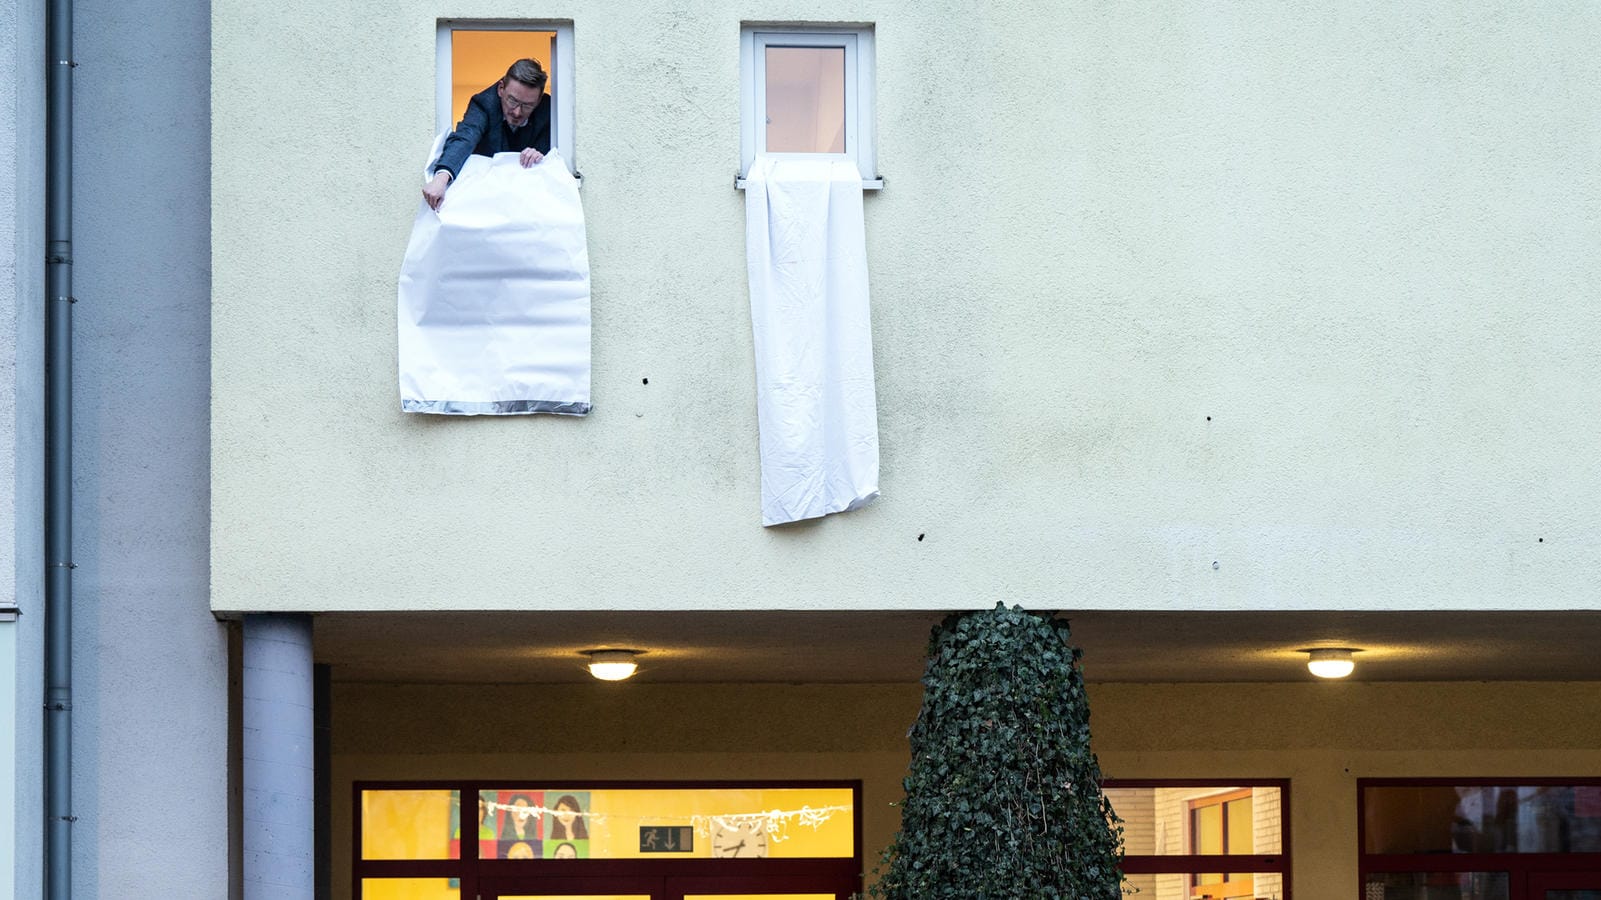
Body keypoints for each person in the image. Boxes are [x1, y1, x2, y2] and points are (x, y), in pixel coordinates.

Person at [423, 59, 552, 210]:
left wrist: (541, 155)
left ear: (538, 101)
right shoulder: (484, 103)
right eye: (512, 101)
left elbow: (553, 157)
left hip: (529, 200)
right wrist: (441, 177)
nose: (517, 112)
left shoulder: (549, 111)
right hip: (486, 197)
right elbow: (465, 138)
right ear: (501, 89)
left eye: (527, 105)